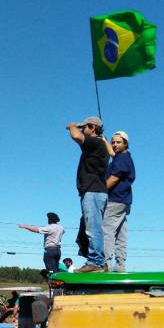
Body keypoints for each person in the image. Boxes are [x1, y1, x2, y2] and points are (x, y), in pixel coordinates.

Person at [67, 116, 112, 272]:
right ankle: (100, 261)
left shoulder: (96, 142)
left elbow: (76, 136)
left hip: (92, 191)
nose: (81, 129)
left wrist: (72, 125)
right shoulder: (100, 144)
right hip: (96, 191)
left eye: (84, 127)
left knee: (93, 229)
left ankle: (95, 262)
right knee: (94, 227)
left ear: (92, 128)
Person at [103, 131, 136, 272]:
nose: (115, 145)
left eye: (118, 142)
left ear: (126, 144)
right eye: (113, 142)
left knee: (107, 231)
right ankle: (120, 265)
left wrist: (100, 190)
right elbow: (112, 152)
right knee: (121, 233)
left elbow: (114, 178)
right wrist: (104, 140)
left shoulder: (122, 159)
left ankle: (105, 263)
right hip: (124, 201)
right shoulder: (121, 157)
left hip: (115, 200)